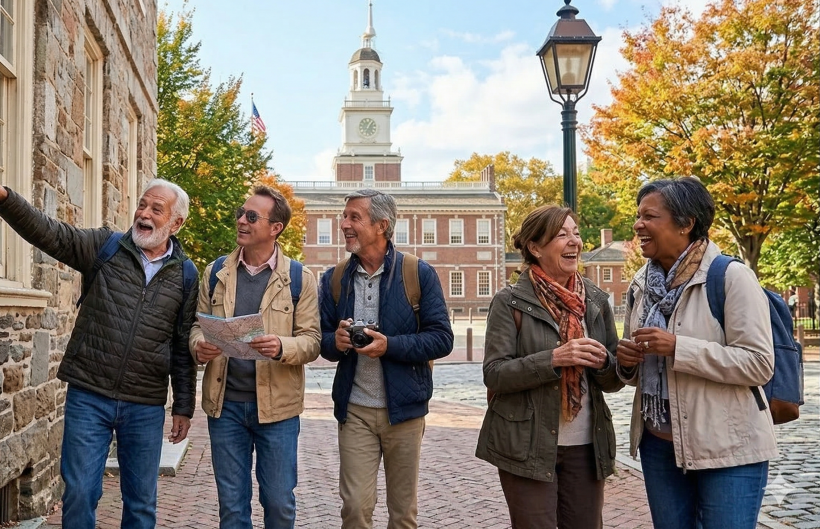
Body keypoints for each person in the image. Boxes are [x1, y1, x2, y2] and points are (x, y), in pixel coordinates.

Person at [0, 164, 197, 529]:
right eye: (142, 204)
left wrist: (183, 405)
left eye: (157, 209)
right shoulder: (106, 246)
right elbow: (51, 233)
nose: (144, 214)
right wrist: (5, 199)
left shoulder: (185, 275)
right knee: (79, 494)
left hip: (144, 404)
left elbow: (183, 343)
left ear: (176, 223)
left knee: (141, 504)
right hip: (89, 395)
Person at [616, 177, 776, 529]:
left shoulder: (732, 277)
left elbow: (759, 364)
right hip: (659, 447)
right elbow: (636, 371)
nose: (638, 225)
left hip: (728, 451)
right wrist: (626, 363)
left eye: (649, 216)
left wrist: (678, 348)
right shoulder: (641, 284)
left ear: (686, 224)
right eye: (638, 216)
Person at [475, 205, 624, 529]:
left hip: (587, 446)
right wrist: (554, 359)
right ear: (535, 247)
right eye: (561, 235)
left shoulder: (595, 301)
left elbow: (614, 381)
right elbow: (495, 374)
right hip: (526, 444)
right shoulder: (509, 301)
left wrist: (605, 363)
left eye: (576, 233)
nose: (574, 241)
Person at [318, 189, 453, 529]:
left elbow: (442, 339)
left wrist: (388, 346)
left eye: (354, 217)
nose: (344, 224)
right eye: (344, 216)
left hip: (404, 412)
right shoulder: (334, 279)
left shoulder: (418, 273)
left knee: (403, 514)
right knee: (355, 508)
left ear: (381, 225)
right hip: (355, 410)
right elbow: (322, 342)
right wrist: (336, 341)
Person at [190, 185, 321, 529]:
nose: (241, 221)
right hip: (225, 408)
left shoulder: (299, 278)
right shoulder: (215, 272)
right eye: (241, 213)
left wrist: (281, 347)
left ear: (276, 228)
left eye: (251, 216)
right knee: (232, 509)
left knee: (279, 504)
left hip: (277, 411)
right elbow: (197, 326)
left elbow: (312, 342)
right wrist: (198, 346)